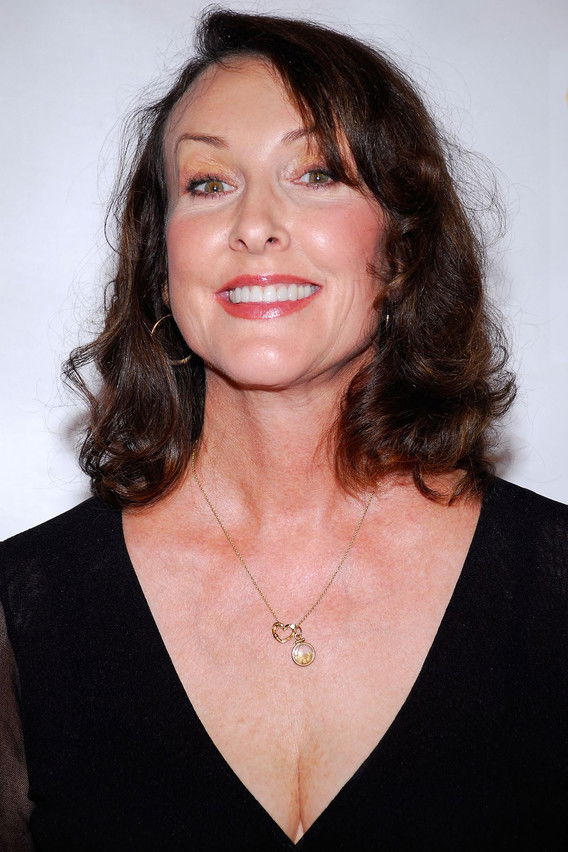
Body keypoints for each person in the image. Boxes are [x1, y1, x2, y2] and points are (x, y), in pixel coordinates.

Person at [1, 8, 566, 850]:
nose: (254, 224)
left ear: (403, 249)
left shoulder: (554, 588)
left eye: (316, 173)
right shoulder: (21, 611)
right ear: (162, 265)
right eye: (208, 183)